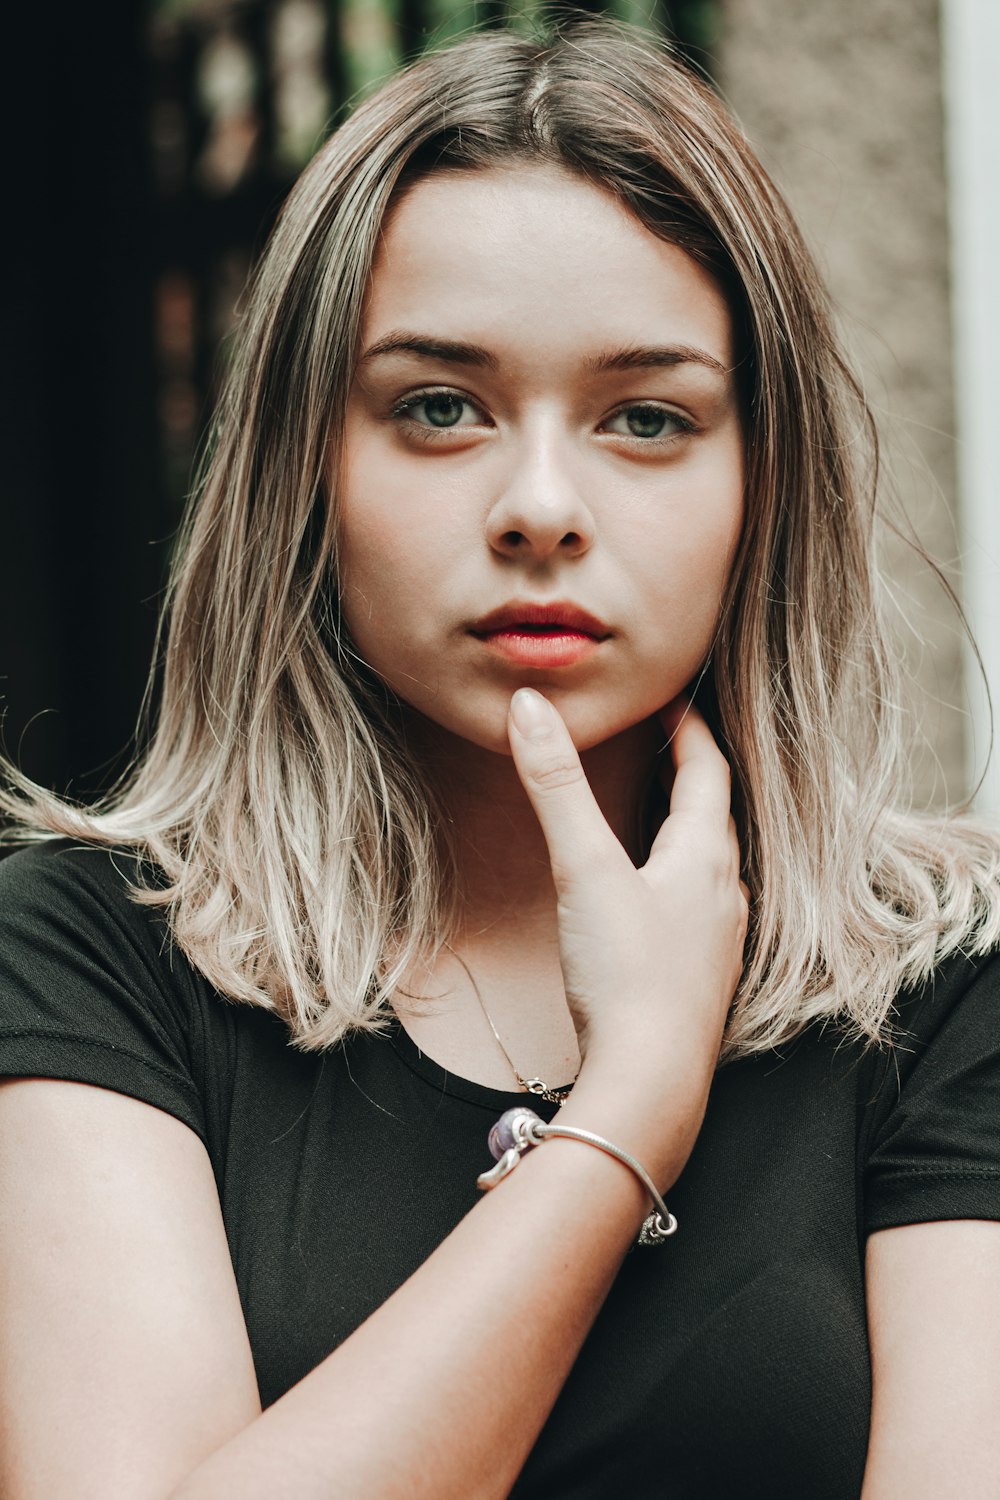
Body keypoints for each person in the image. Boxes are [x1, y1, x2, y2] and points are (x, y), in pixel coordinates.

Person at [1, 17, 999, 1498]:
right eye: (438, 408)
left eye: (647, 418)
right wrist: (629, 1109)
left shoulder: (940, 989)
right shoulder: (89, 962)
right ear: (307, 466)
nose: (540, 505)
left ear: (760, 484)